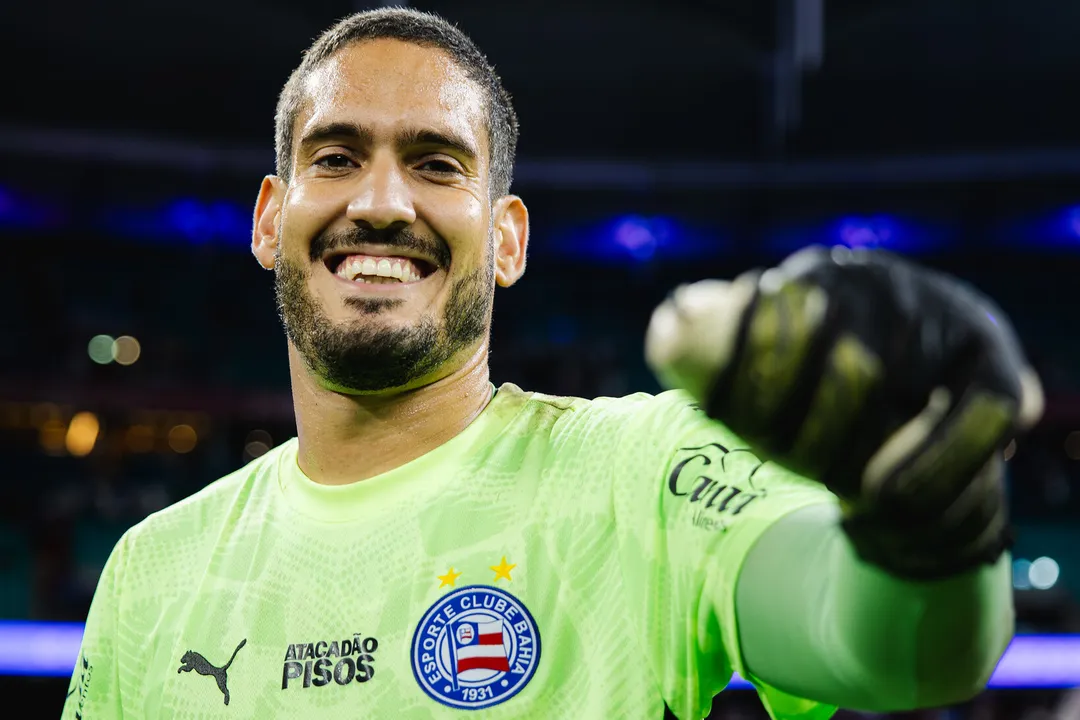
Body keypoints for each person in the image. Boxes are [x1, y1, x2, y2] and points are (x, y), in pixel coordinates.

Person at [62, 8, 1044, 720]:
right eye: (337, 156)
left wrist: (933, 520)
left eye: (438, 162)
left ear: (507, 239)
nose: (382, 201)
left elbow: (889, 649)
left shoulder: (643, 470)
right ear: (271, 220)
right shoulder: (151, 572)